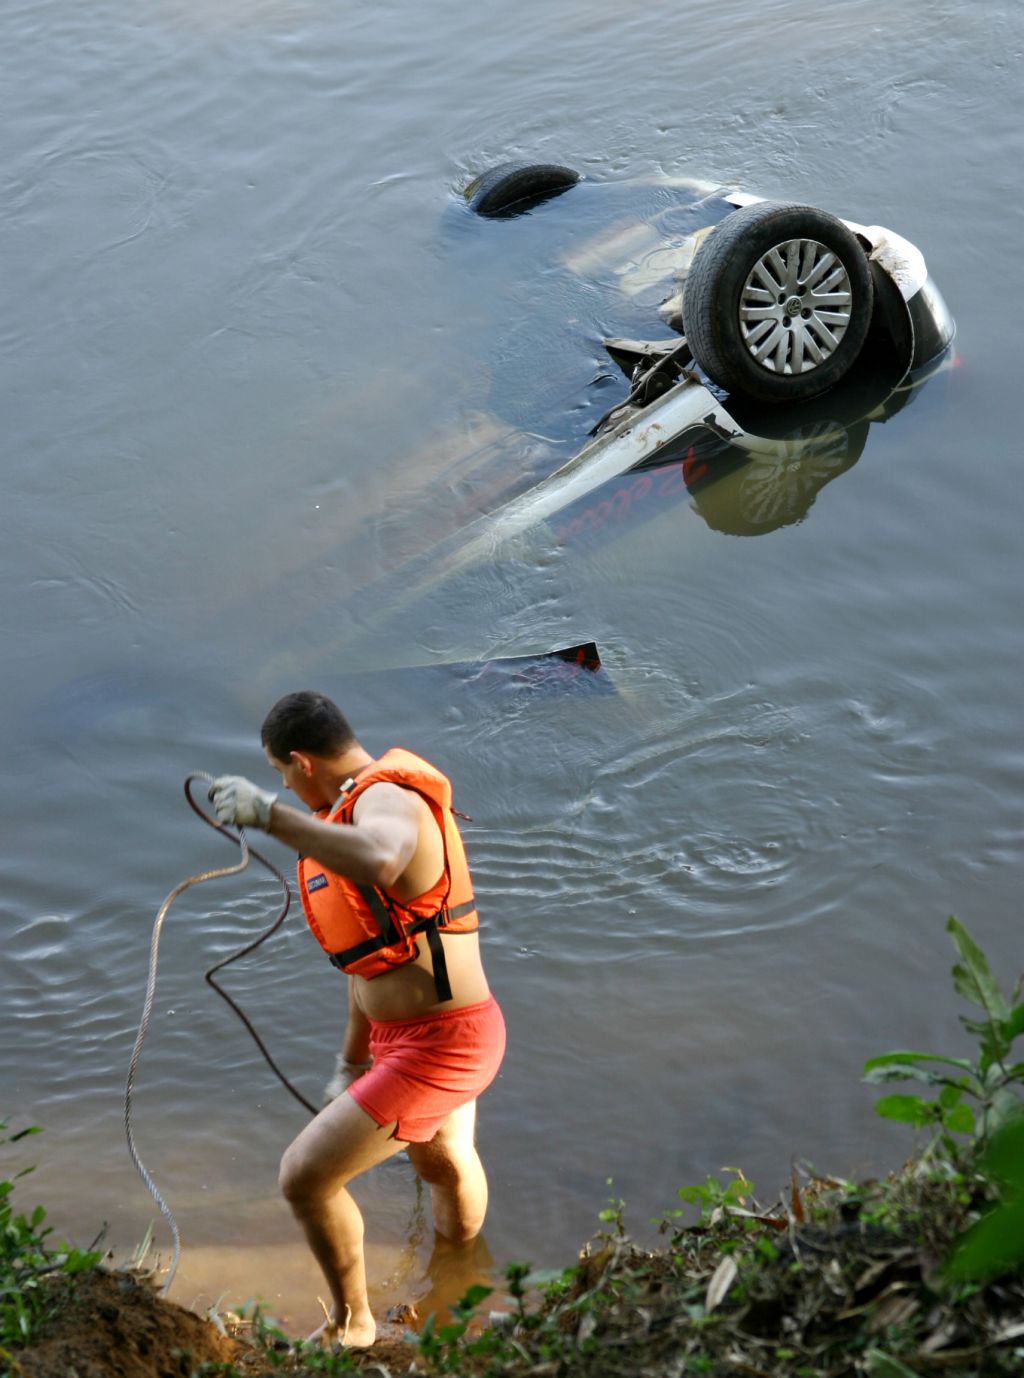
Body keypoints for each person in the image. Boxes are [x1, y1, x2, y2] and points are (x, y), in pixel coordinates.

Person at [208, 691, 505, 1349]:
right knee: (444, 1162)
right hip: (416, 1037)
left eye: (281, 776)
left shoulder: (385, 798)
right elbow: (366, 965)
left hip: (444, 1043)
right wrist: (350, 1061)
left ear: (300, 763)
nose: (284, 786)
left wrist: (269, 816)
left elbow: (381, 858)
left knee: (305, 1177)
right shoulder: (347, 812)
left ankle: (353, 1326)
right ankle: (462, 1277)